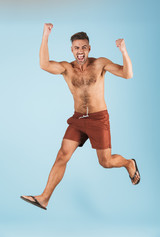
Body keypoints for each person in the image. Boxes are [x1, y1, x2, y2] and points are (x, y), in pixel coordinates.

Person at [20, 23, 140, 210]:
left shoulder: (100, 63)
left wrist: (123, 51)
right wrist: (46, 35)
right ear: (72, 50)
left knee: (105, 162)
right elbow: (44, 64)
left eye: (84, 47)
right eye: (77, 48)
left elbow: (128, 74)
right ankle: (44, 198)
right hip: (78, 119)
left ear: (89, 48)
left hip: (98, 119)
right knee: (62, 155)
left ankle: (128, 163)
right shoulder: (67, 68)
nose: (81, 51)